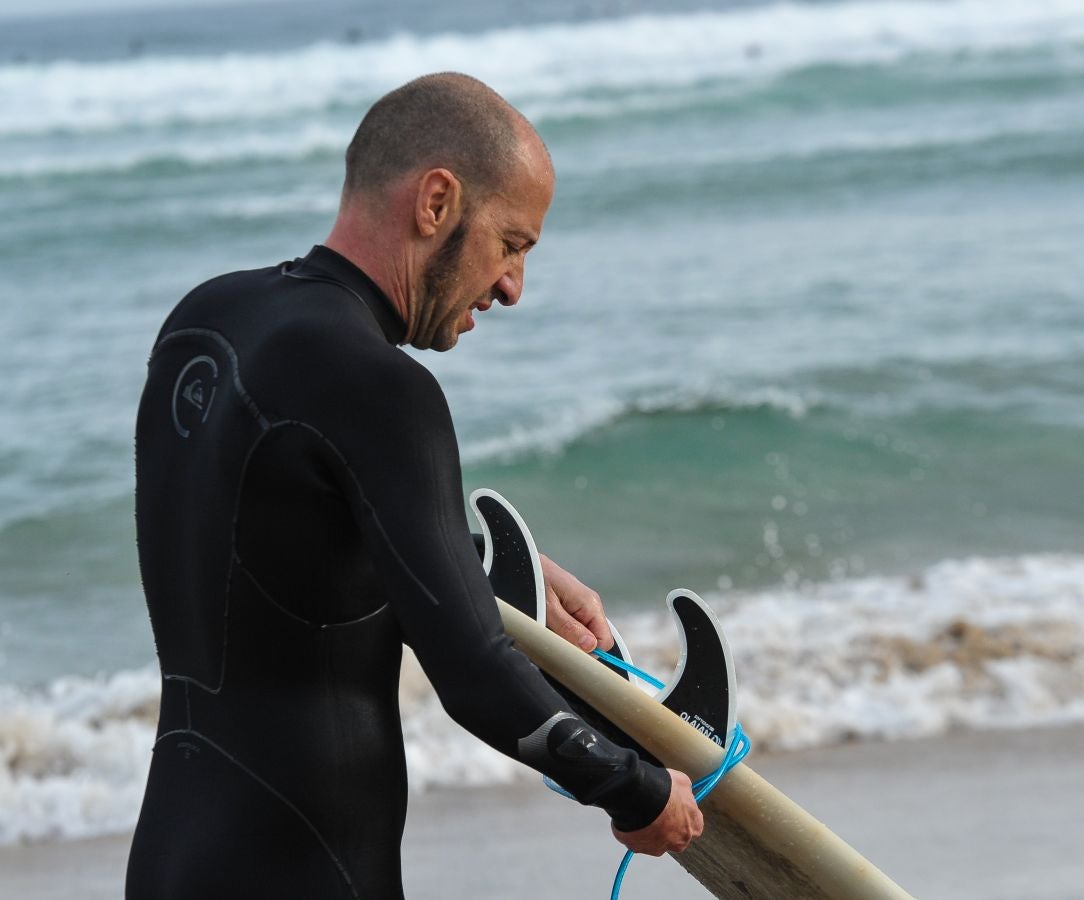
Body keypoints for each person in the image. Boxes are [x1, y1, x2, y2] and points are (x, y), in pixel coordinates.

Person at [125, 72, 702, 899]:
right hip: (310, 872)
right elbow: (474, 673)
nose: (512, 286)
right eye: (512, 243)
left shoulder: (205, 322)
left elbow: (284, 545)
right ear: (436, 202)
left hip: (174, 855)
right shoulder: (382, 387)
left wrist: (503, 570)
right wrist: (635, 789)